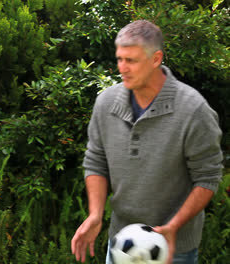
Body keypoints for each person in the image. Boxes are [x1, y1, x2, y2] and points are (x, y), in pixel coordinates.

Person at [70, 20, 223, 264]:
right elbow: (96, 161)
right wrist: (96, 215)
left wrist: (172, 227)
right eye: (120, 59)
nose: (123, 68)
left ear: (155, 59)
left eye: (131, 60)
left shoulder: (193, 110)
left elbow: (207, 177)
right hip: (121, 243)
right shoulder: (106, 104)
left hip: (174, 249)